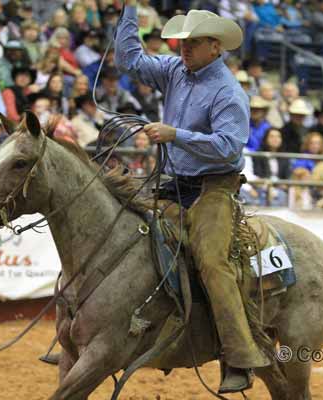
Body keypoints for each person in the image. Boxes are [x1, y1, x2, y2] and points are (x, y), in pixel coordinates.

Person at [115, 3, 270, 393]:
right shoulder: (174, 70)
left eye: (194, 42)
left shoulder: (228, 91)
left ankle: (239, 357)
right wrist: (129, 10)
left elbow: (229, 147)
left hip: (213, 188)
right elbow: (128, 59)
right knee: (118, 230)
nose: (184, 47)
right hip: (172, 183)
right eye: (183, 41)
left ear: (215, 47)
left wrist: (176, 135)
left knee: (212, 262)